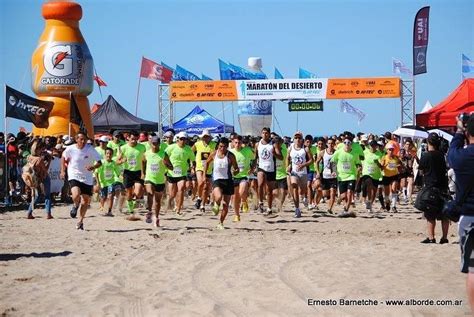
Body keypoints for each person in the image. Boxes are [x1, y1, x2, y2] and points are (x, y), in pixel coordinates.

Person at [447, 115, 474, 312]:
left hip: (469, 216)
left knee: (473, 270)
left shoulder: (461, 158)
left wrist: (458, 131)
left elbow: (451, 152)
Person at [61, 131, 102, 230]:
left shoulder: (90, 149)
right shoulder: (70, 149)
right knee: (75, 194)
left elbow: (99, 162)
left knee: (85, 201)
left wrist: (93, 166)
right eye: (81, 139)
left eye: (85, 139)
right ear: (76, 139)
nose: (83, 141)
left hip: (87, 177)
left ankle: (80, 221)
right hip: (74, 174)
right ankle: (75, 205)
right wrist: (62, 171)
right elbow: (63, 157)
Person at [418, 132, 449, 244]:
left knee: (430, 214)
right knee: (444, 213)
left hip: (431, 186)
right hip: (443, 186)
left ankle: (431, 238)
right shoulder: (442, 155)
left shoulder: (426, 155)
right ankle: (444, 238)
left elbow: (421, 171)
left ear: (428, 142)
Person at [204, 137, 239, 229]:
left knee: (226, 205)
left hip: (228, 180)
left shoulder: (230, 155)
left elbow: (236, 168)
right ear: (218, 146)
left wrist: (235, 171)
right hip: (217, 179)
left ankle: (220, 222)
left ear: (227, 146)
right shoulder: (214, 154)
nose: (222, 148)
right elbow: (206, 163)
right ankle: (216, 204)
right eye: (220, 146)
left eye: (224, 147)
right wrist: (204, 175)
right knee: (218, 196)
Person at [163, 131, 195, 215]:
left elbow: (193, 159)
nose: (183, 141)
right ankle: (170, 202)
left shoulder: (188, 149)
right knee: (172, 194)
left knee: (181, 189)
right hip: (171, 173)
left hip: (182, 173)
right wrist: (167, 165)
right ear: (177, 139)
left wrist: (192, 168)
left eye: (185, 139)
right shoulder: (171, 147)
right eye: (181, 139)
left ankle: (178, 208)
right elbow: (164, 156)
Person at [117, 131, 146, 217]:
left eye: (136, 139)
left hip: (138, 172)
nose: (134, 141)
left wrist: (143, 172)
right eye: (132, 139)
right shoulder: (123, 148)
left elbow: (144, 160)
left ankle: (132, 204)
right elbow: (117, 161)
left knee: (138, 193)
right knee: (129, 193)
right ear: (128, 138)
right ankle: (131, 210)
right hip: (128, 172)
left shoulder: (142, 147)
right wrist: (122, 160)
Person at [255, 127, 283, 215]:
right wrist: (252, 167)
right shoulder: (257, 144)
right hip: (261, 167)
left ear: (269, 134)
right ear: (261, 134)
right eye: (263, 133)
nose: (264, 134)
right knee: (260, 184)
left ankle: (269, 208)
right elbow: (255, 156)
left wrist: (274, 153)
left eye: (266, 133)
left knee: (269, 190)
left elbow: (281, 157)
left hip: (271, 169)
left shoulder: (273, 144)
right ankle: (260, 203)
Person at [332, 137, 361, 217]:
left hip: (351, 176)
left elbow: (358, 163)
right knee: (344, 196)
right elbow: (333, 162)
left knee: (349, 193)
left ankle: (346, 210)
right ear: (343, 143)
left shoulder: (355, 153)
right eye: (345, 142)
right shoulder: (338, 152)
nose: (347, 144)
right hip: (341, 176)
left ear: (351, 144)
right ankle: (340, 199)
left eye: (349, 143)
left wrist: (359, 167)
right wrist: (334, 171)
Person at [287, 131, 313, 218]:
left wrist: (303, 165)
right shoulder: (290, 148)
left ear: (302, 139)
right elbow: (287, 158)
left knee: (302, 191)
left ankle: (304, 197)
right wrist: (288, 166)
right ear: (293, 139)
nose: (297, 139)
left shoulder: (305, 149)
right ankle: (297, 209)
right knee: (294, 186)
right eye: (296, 138)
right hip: (294, 172)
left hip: (303, 173)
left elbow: (311, 160)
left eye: (299, 138)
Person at [24, 140, 52, 219]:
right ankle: (48, 214)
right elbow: (45, 169)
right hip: (43, 176)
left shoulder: (29, 157)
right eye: (41, 149)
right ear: (37, 149)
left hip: (34, 178)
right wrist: (49, 161)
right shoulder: (39, 159)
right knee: (47, 195)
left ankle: (29, 212)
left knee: (36, 196)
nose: (42, 150)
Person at [142, 136, 167, 227]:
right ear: (150, 143)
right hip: (149, 178)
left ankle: (156, 217)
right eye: (153, 144)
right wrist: (142, 173)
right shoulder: (146, 153)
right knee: (150, 192)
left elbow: (171, 167)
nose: (155, 146)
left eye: (156, 144)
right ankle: (149, 211)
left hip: (160, 180)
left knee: (157, 201)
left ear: (159, 144)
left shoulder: (163, 154)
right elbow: (143, 161)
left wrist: (166, 164)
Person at [230, 135, 255, 222]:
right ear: (233, 143)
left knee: (242, 191)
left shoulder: (247, 150)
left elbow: (255, 158)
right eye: (236, 142)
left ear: (242, 143)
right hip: (233, 177)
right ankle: (237, 215)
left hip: (244, 175)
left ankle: (244, 201)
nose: (237, 144)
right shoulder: (230, 152)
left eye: (239, 143)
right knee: (235, 197)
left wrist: (252, 169)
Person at [192, 129, 216, 213]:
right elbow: (191, 152)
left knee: (206, 188)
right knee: (201, 183)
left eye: (207, 137)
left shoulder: (214, 145)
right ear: (202, 137)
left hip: (209, 168)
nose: (206, 138)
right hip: (199, 167)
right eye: (204, 137)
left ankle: (202, 205)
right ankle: (199, 198)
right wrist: (192, 164)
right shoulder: (197, 144)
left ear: (210, 137)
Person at [96, 147, 121, 217]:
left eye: (110, 154)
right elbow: (96, 173)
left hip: (111, 182)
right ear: (105, 154)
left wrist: (120, 178)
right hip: (103, 183)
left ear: (112, 155)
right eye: (107, 153)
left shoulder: (114, 163)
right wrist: (98, 183)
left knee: (111, 195)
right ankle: (101, 206)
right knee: (103, 197)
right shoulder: (102, 162)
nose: (108, 155)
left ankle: (109, 211)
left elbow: (118, 173)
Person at [360, 140, 383, 212]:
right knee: (369, 185)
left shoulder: (379, 154)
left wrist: (377, 163)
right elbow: (360, 160)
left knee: (374, 191)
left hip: (376, 174)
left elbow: (381, 166)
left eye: (374, 146)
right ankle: (368, 200)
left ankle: (370, 203)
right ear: (369, 146)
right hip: (366, 173)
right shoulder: (365, 152)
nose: (372, 147)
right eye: (371, 146)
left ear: (376, 146)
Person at [316, 137, 337, 213]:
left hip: (334, 176)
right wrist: (318, 172)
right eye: (329, 143)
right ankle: (315, 204)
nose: (330, 145)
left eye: (332, 143)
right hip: (325, 176)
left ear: (334, 144)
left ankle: (330, 209)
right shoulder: (322, 152)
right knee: (324, 193)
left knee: (333, 192)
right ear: (327, 144)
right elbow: (317, 162)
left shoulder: (336, 152)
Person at [380, 143, 402, 212]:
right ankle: (387, 203)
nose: (391, 151)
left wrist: (399, 167)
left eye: (392, 150)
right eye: (389, 150)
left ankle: (394, 206)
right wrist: (383, 165)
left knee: (393, 189)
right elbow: (381, 167)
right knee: (386, 192)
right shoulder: (384, 157)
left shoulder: (396, 157)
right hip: (386, 176)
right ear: (387, 150)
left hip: (394, 175)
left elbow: (400, 164)